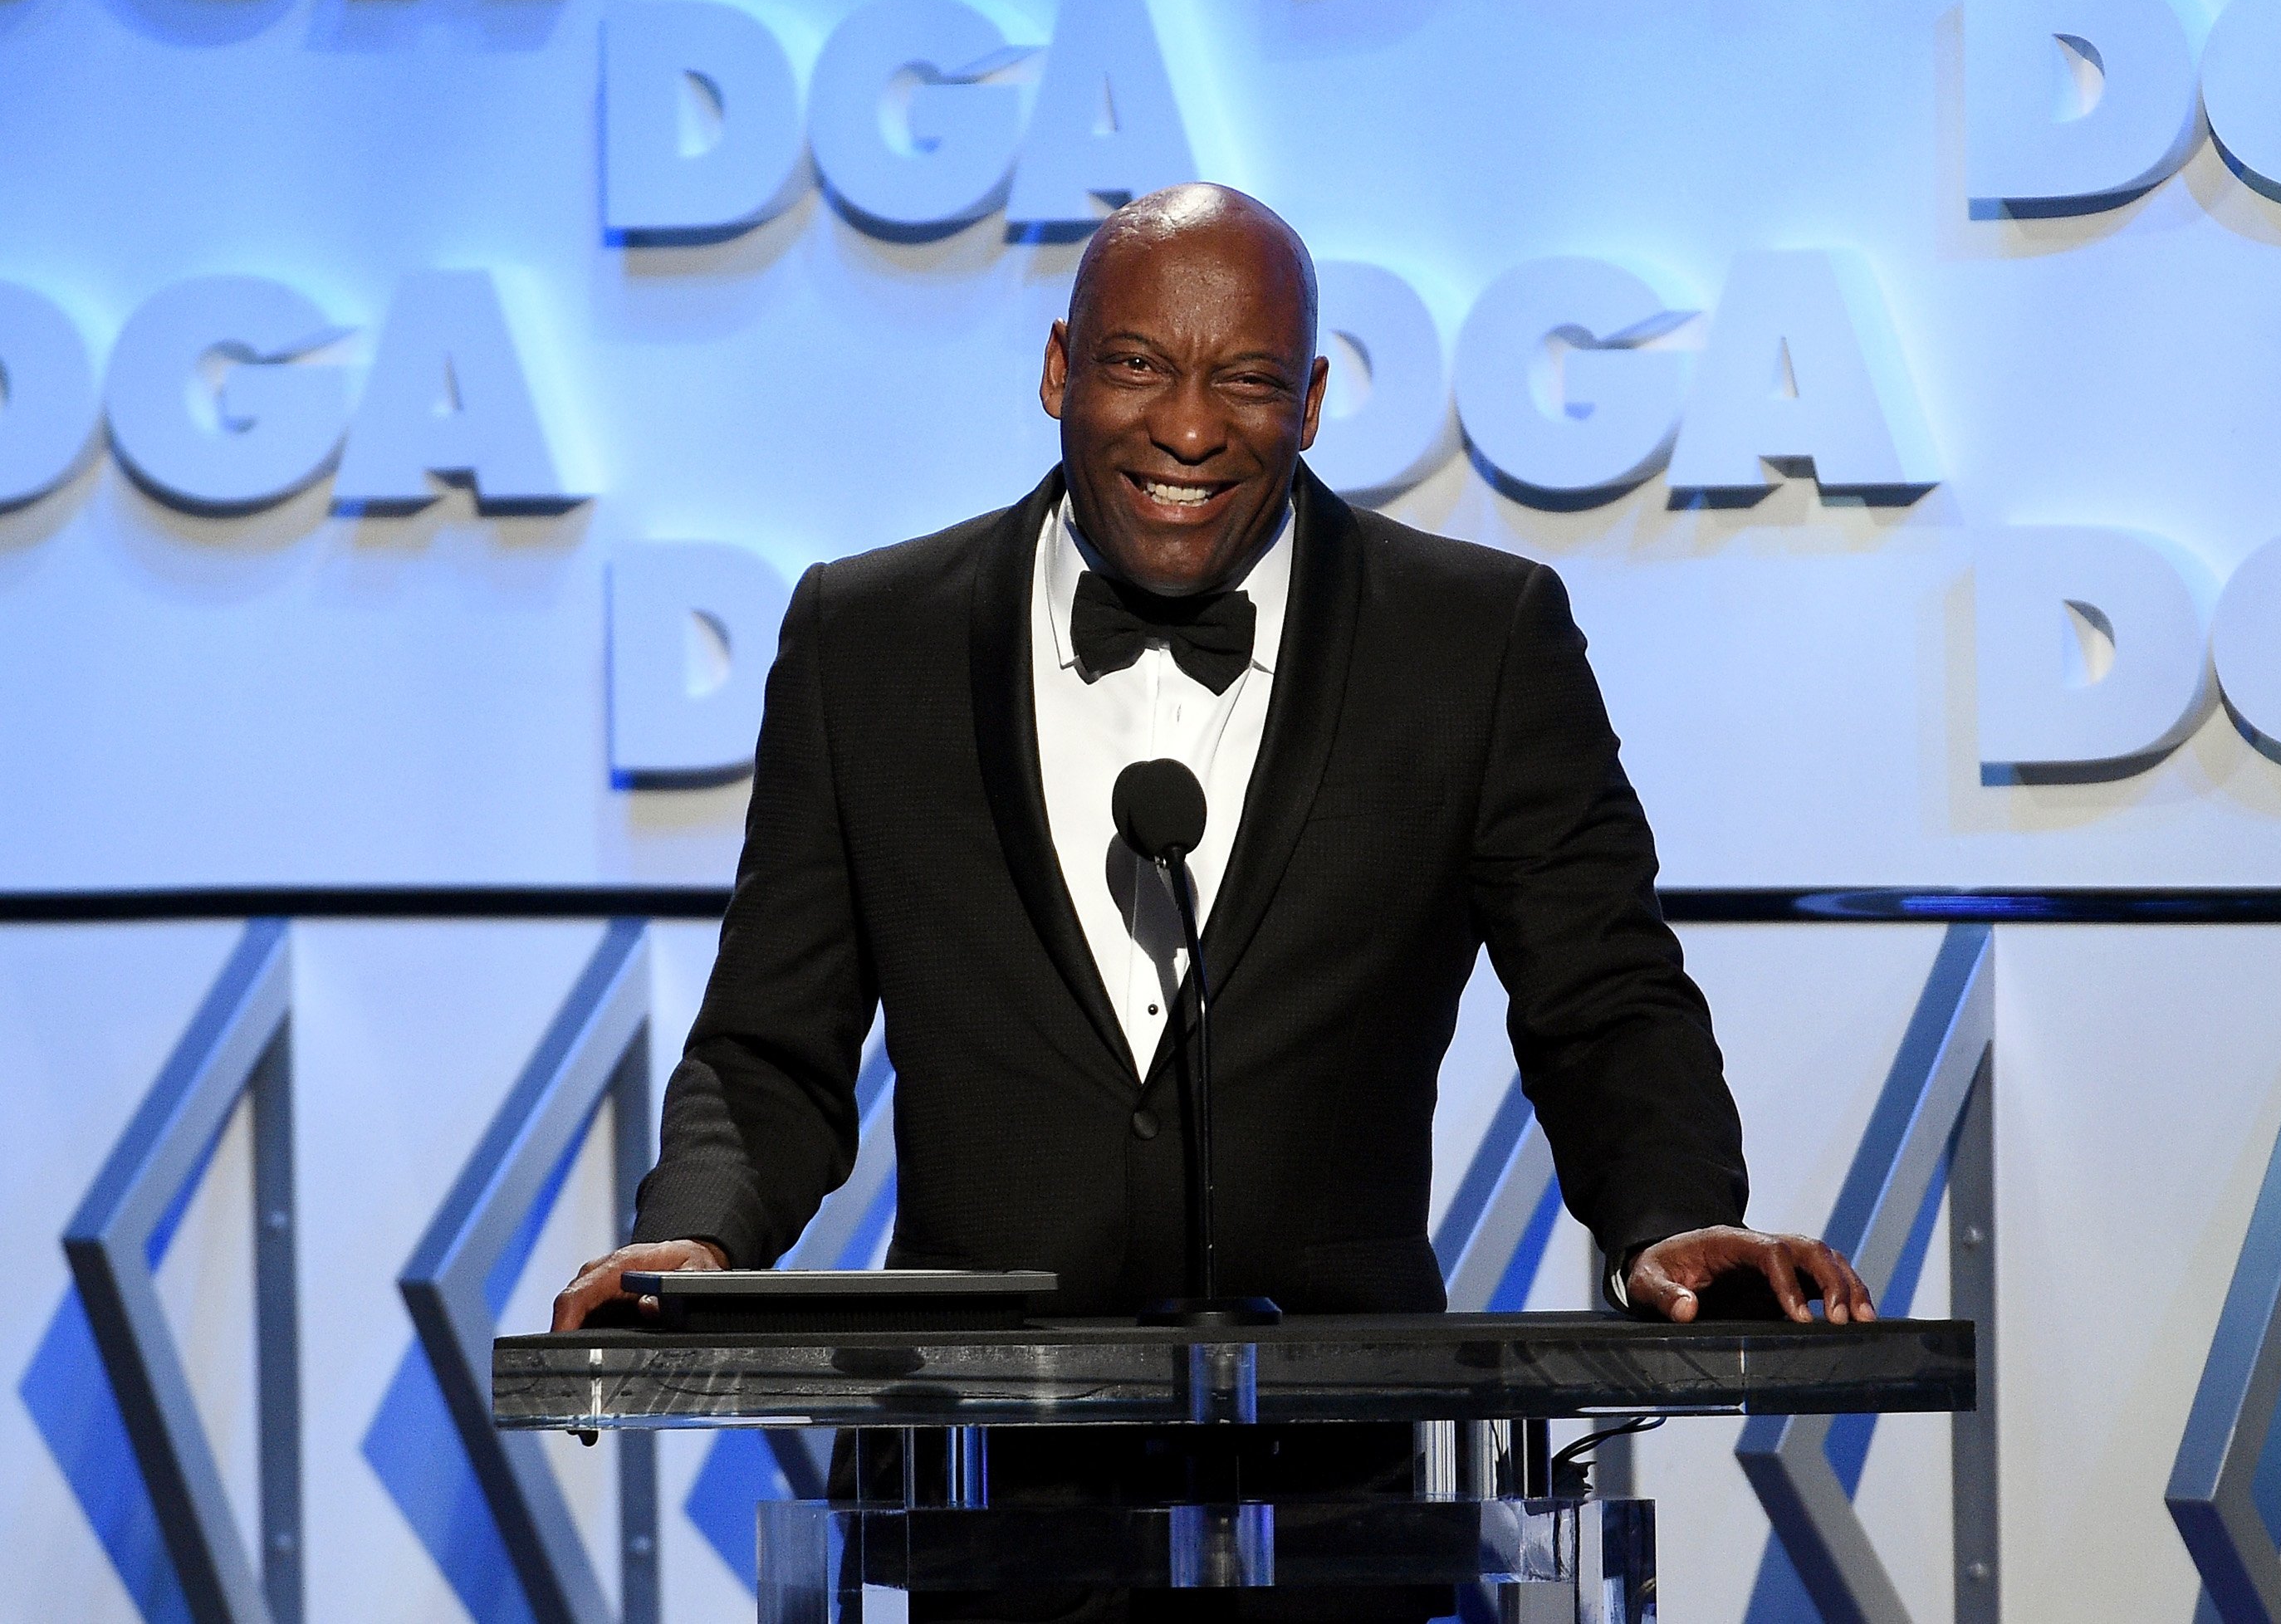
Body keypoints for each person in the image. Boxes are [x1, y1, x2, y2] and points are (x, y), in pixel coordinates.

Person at [554, 183, 1871, 1620]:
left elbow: (1602, 996)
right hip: (979, 1506)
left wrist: (1673, 1219)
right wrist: (693, 1244)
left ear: (1309, 401)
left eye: (1246, 380)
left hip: (1347, 1508)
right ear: (1059, 369)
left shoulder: (1475, 640)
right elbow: (771, 1044)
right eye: (1137, 366)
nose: (1190, 428)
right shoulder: (866, 641)